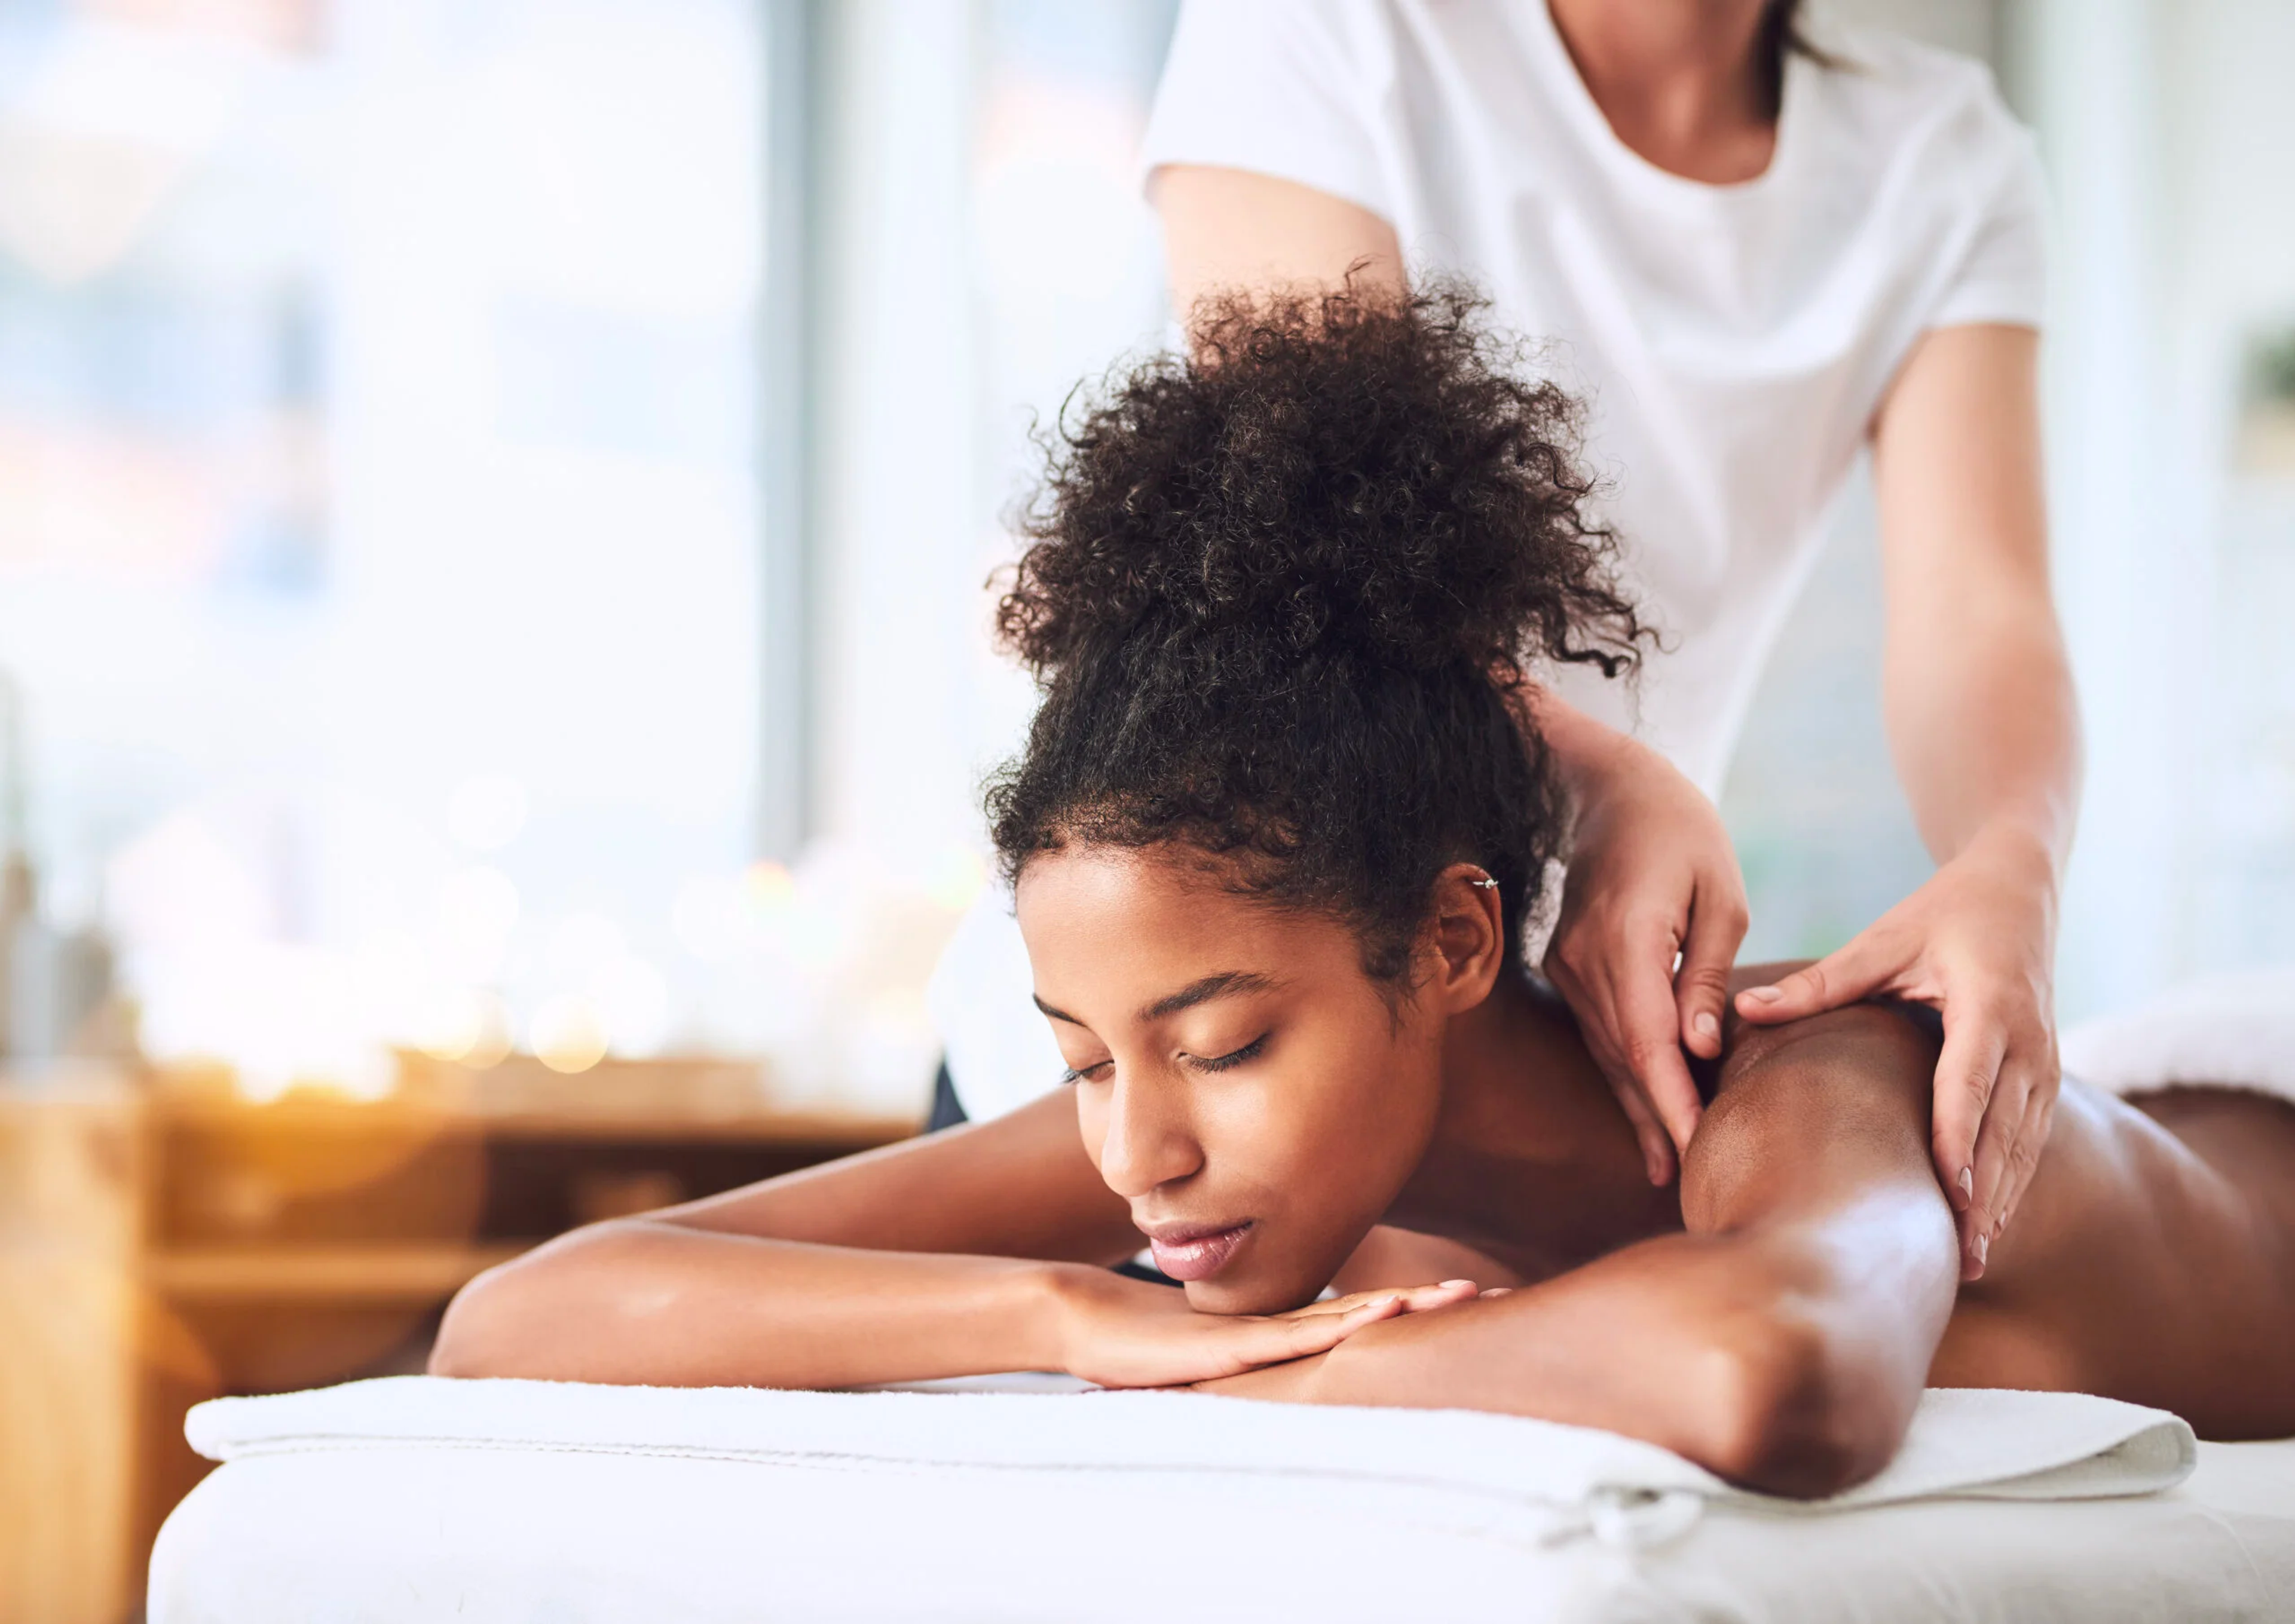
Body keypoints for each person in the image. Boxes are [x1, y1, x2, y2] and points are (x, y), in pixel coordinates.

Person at [433, 296, 2293, 1497]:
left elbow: (1774, 1367)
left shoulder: (1826, 1079)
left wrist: (1247, 1382)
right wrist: (1060, 1322)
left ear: (1462, 940)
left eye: (1219, 1042)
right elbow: (528, 1315)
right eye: (1081, 1057)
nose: (1132, 1155)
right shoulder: (1244, 1155)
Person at [934, 0, 2077, 1285]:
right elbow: (1313, 521)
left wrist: (2010, 867)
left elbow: (1981, 608)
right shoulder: (1331, 30)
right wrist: (1598, 781)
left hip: (1512, 1057)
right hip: (1195, 1018)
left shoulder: (1941, 155)